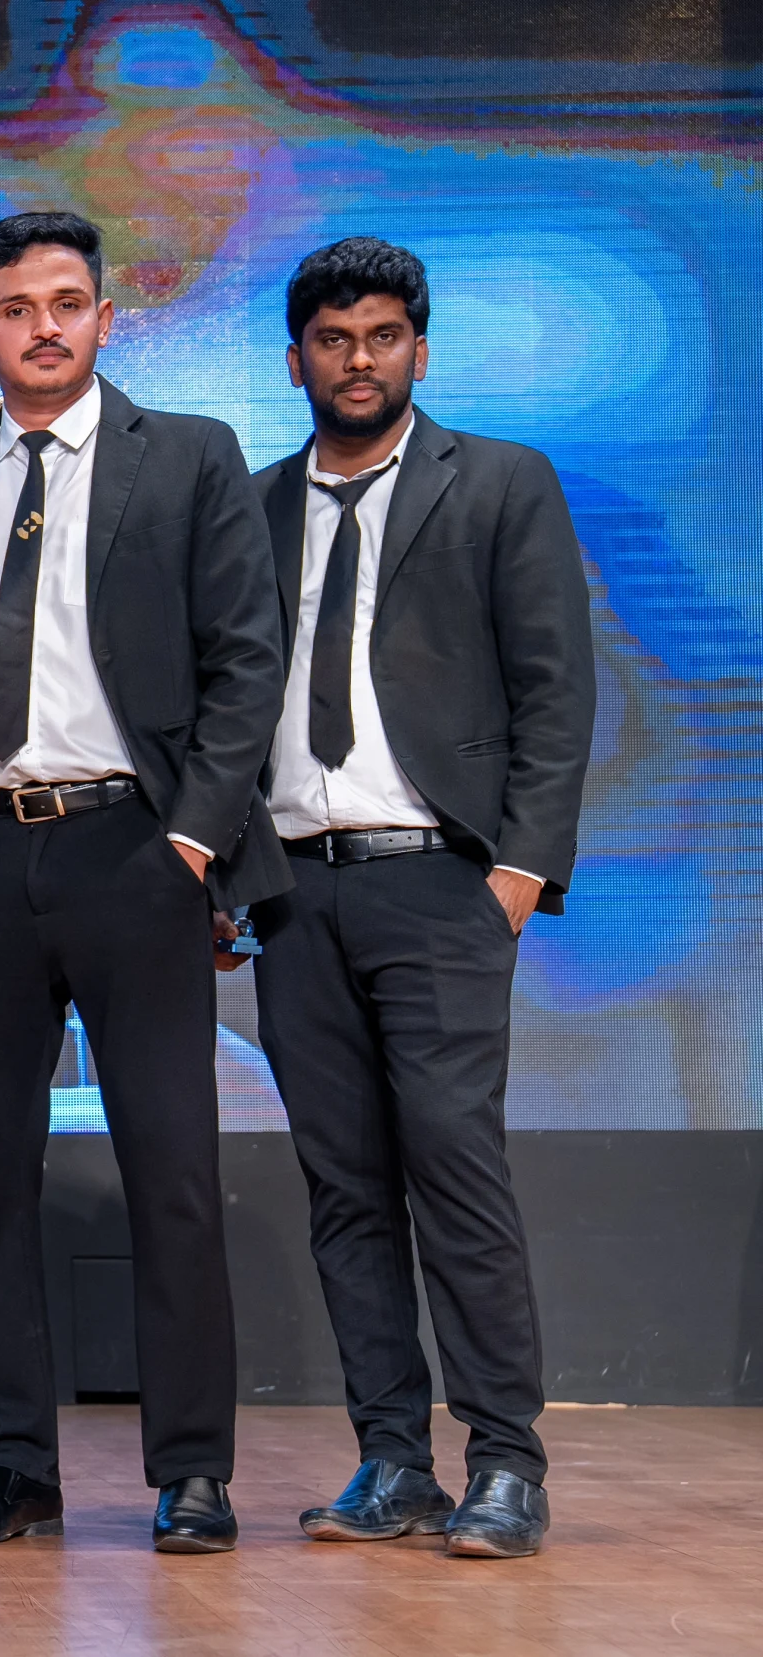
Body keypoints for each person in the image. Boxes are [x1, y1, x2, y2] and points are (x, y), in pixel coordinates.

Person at [0, 211, 287, 1553]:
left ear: (106, 317)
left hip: (134, 848)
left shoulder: (192, 455)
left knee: (171, 1168)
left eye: (64, 302)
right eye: (14, 307)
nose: (42, 326)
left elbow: (247, 661)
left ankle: (193, 1470)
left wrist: (192, 841)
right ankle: (14, 1465)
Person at [244, 237, 593, 1560]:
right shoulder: (253, 506)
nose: (359, 359)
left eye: (383, 336)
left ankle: (506, 1461)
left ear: (420, 350)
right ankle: (392, 1460)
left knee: (455, 1170)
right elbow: (225, 705)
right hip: (295, 894)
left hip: (440, 880)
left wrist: (515, 872)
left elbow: (555, 687)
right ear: (296, 360)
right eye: (334, 340)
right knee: (344, 1189)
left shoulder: (499, 482)